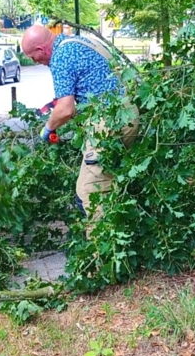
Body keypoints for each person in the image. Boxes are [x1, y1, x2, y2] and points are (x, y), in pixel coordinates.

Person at [21, 24, 140, 229]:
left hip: (108, 125)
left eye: (33, 57)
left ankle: (102, 254)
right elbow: (92, 87)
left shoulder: (61, 57)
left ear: (41, 49)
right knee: (107, 185)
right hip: (127, 115)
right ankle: (122, 238)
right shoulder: (79, 41)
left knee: (90, 194)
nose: (35, 62)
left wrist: (48, 129)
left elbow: (65, 109)